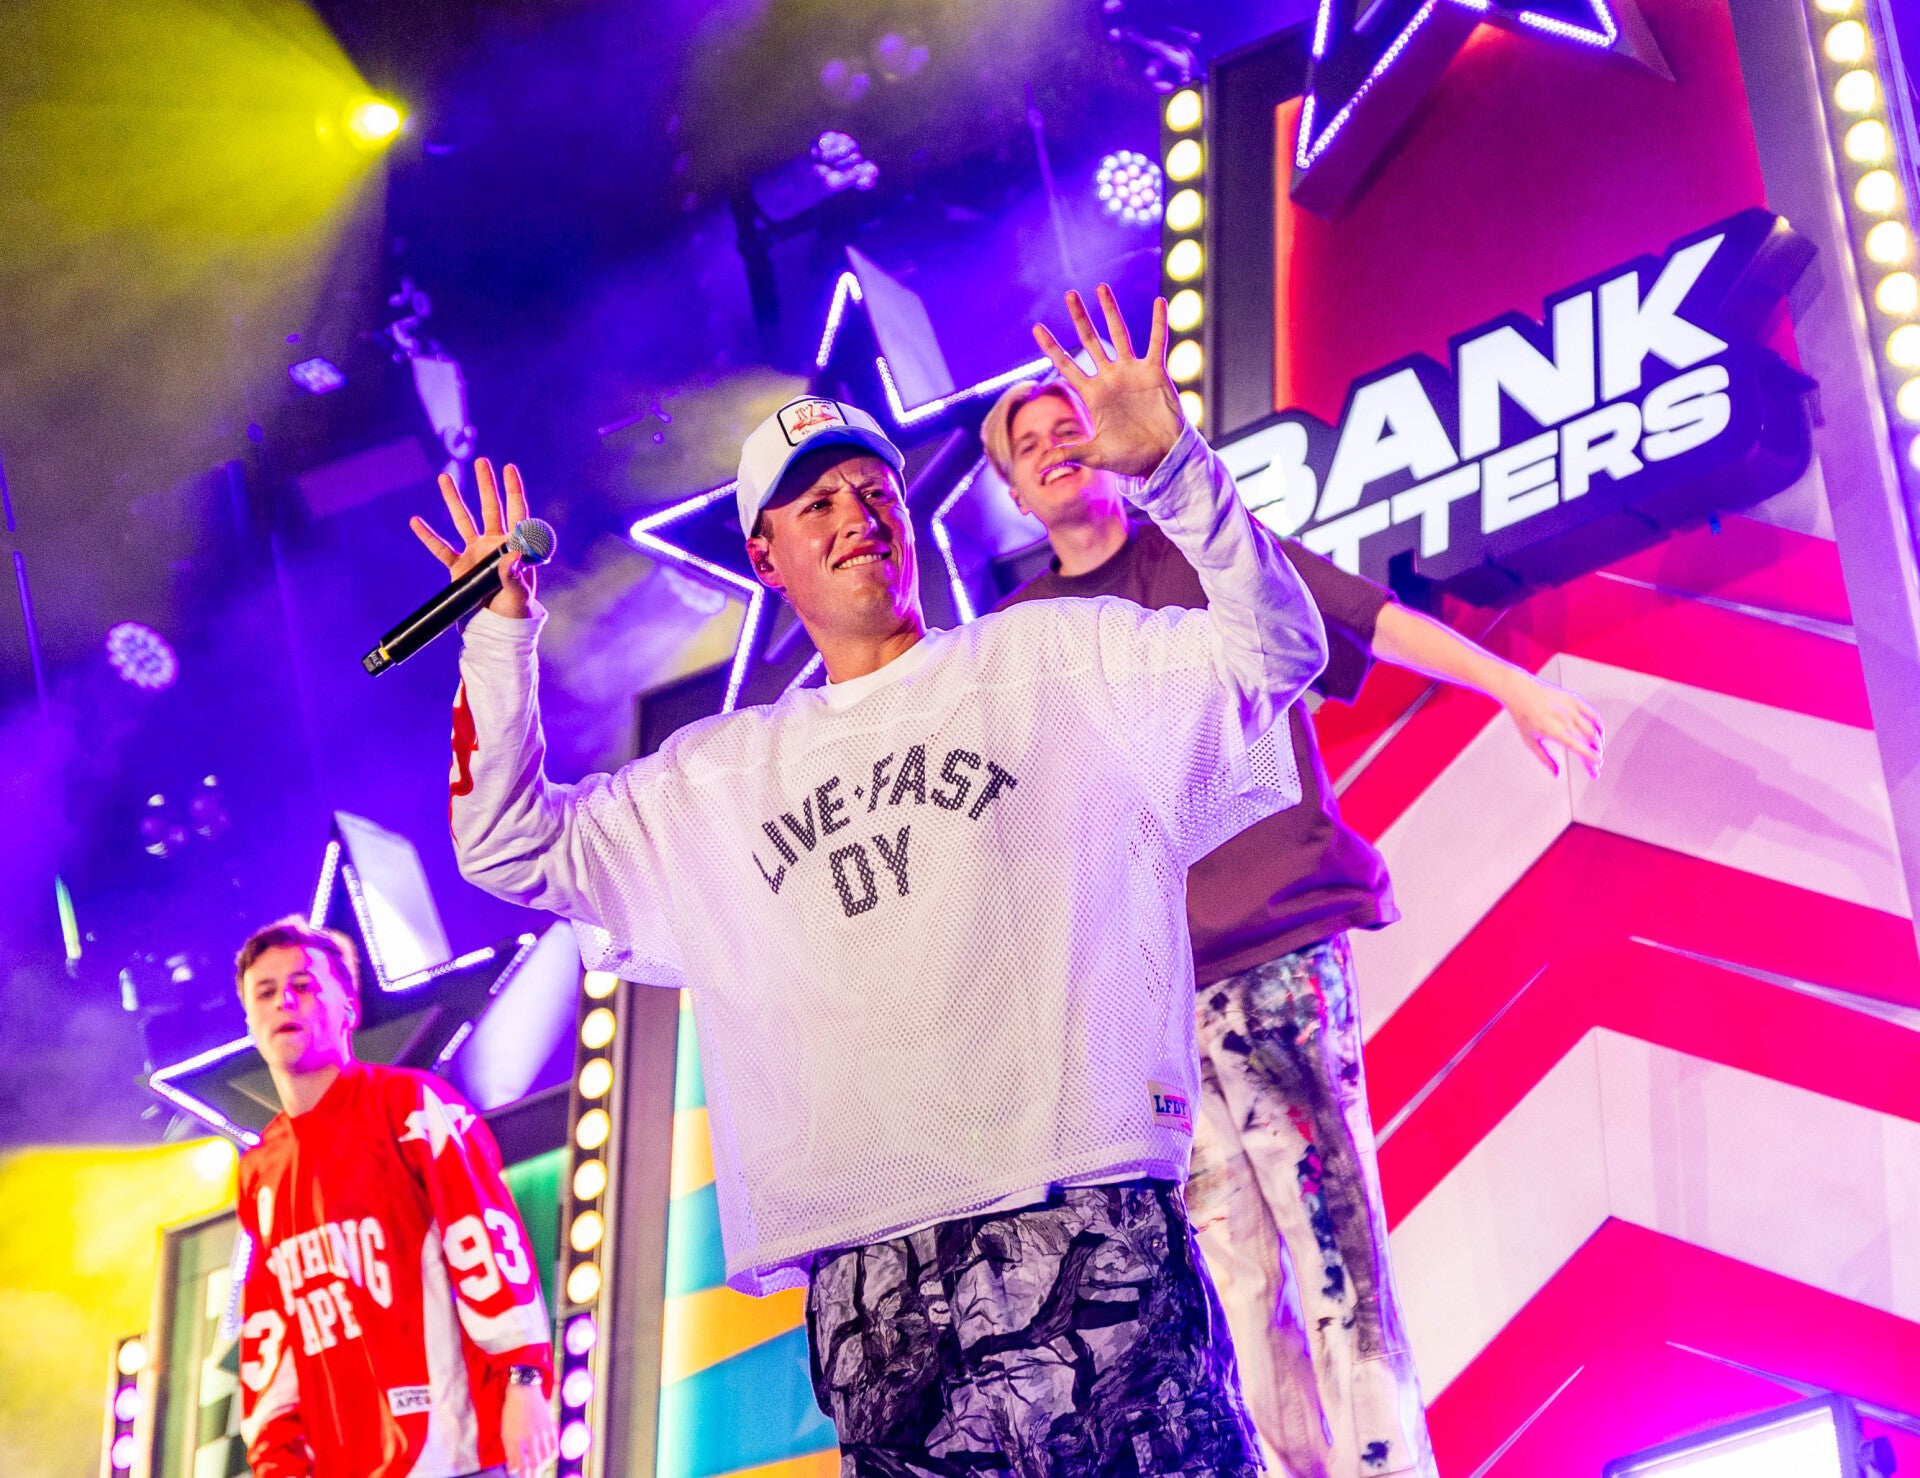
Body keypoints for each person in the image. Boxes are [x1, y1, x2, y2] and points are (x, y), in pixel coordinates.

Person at [415, 286, 1327, 1476]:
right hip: (875, 1284)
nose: (857, 515)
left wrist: (1176, 473)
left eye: (875, 490)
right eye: (817, 502)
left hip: (1084, 1220)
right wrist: (499, 635)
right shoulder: (716, 777)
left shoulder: (1051, 655)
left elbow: (1276, 652)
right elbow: (505, 843)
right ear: (766, 555)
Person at [982, 376, 1606, 1478]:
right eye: (1025, 443)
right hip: (1156, 1001)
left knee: (1339, 1259)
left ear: (1110, 445)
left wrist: (1508, 681)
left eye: (1066, 425)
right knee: (1233, 1289)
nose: (1052, 446)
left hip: (1276, 954)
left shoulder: (1207, 553)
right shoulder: (1021, 640)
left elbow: (1363, 615)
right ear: (1015, 494)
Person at [232, 916, 558, 1478]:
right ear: (250, 1021)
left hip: (458, 1455)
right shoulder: (259, 1171)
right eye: (265, 991)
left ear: (348, 1007)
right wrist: (275, 1459)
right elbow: (271, 1329)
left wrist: (524, 1378)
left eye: (304, 984)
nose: (284, 1000)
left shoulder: (413, 1107)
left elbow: (484, 1238)